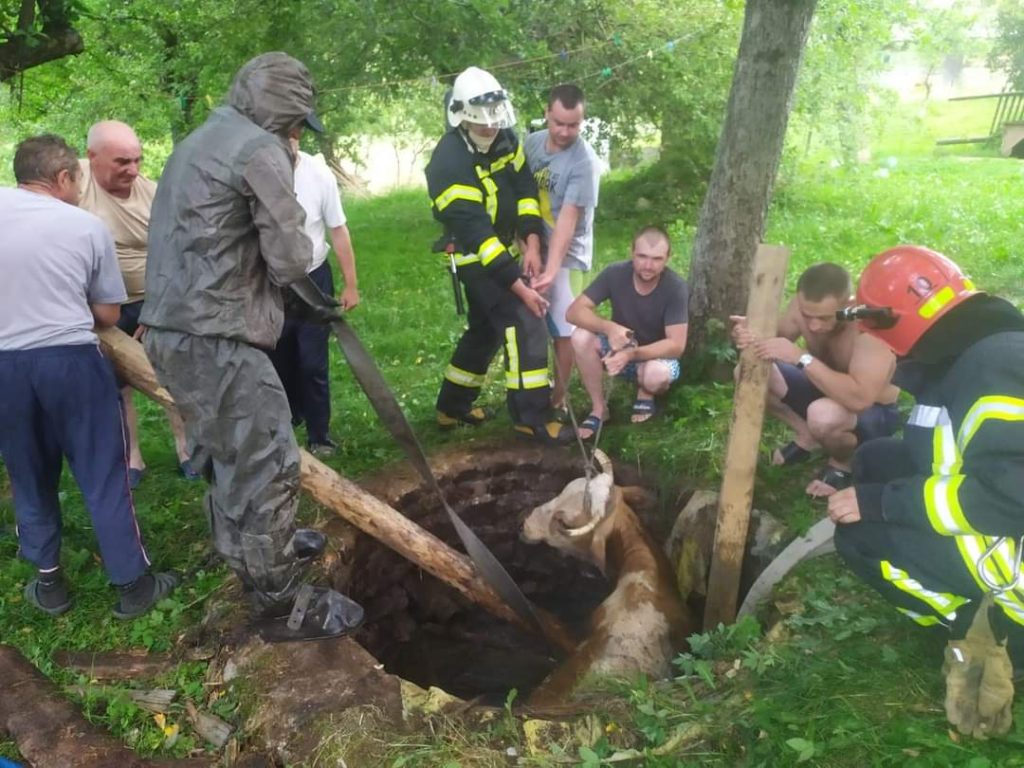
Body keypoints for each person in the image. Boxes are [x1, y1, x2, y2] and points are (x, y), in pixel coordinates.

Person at [141, 52, 363, 642]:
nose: (296, 134)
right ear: (284, 114)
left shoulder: (197, 142)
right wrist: (286, 174)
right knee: (268, 461)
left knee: (228, 453)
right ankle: (282, 604)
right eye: (296, 123)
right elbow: (291, 259)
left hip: (171, 333)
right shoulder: (261, 149)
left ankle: (254, 554)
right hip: (219, 337)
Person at [827, 245, 1024, 738]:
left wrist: (884, 504)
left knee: (857, 538)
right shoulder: (971, 349)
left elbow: (1009, 499)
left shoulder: (992, 372)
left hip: (1008, 543)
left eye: (881, 339)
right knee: (875, 459)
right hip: (988, 504)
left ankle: (989, 628)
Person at [0, 135, 177, 618]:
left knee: (29, 473)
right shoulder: (84, 225)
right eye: (76, 179)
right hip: (71, 362)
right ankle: (132, 586)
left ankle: (50, 584)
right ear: (61, 178)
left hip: (6, 367)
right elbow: (106, 312)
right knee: (103, 473)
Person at [425, 66, 571, 444]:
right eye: (480, 125)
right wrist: (520, 288)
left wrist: (532, 242)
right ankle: (531, 416)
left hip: (504, 247)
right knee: (523, 318)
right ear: (461, 118)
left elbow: (524, 190)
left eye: (494, 123)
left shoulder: (506, 139)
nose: (490, 130)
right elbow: (477, 235)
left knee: (486, 329)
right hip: (474, 255)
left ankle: (452, 406)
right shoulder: (448, 163)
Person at [78, 120, 196, 487]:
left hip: (153, 304)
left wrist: (158, 308)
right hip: (101, 309)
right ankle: (132, 458)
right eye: (121, 162)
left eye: (137, 160)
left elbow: (180, 255)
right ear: (91, 158)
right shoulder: (73, 183)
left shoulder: (154, 195)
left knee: (172, 377)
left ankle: (187, 450)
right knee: (118, 385)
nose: (133, 170)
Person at [730, 263, 900, 497]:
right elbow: (771, 339)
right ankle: (808, 435)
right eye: (807, 315)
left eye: (823, 318)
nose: (813, 325)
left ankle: (844, 463)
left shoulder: (868, 331)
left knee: (823, 415)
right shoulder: (802, 310)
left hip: (871, 411)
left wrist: (802, 358)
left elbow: (860, 399)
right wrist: (749, 334)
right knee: (747, 371)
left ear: (847, 304)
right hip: (823, 391)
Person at [269, 137, 360, 457]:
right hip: (272, 282)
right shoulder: (254, 174)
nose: (286, 144)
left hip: (314, 279)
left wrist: (351, 284)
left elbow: (338, 229)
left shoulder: (319, 174)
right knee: (277, 359)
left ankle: (319, 436)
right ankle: (287, 423)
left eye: (291, 136)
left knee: (312, 362)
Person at [566, 225, 688, 439]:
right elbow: (573, 312)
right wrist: (609, 327)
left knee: (655, 375)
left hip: (655, 359)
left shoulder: (676, 287)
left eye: (657, 259)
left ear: (668, 258)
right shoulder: (614, 273)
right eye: (642, 256)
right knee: (580, 337)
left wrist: (632, 354)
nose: (648, 265)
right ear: (631, 252)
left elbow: (676, 346)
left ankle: (646, 392)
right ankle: (599, 409)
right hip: (616, 351)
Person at [523, 83, 600, 416]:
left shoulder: (585, 163)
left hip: (568, 255)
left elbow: (568, 220)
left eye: (574, 125)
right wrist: (529, 245)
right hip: (531, 246)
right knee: (528, 322)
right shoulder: (531, 144)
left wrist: (551, 269)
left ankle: (560, 396)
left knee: (564, 328)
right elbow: (521, 195)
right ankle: (529, 389)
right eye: (559, 123)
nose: (565, 131)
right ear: (547, 113)